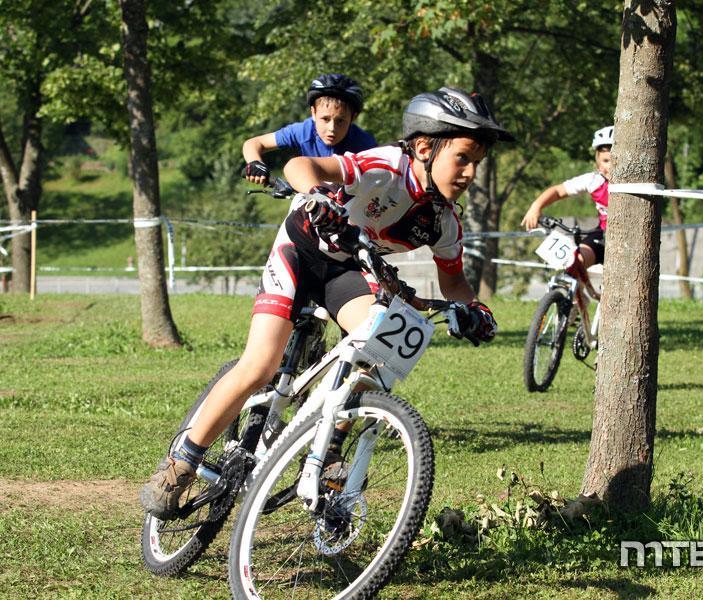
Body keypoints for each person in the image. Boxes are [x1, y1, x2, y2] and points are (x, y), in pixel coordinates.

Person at [140, 87, 514, 519]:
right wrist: (319, 196)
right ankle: (181, 463)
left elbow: (454, 282)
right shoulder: (386, 167)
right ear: (425, 149)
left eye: (477, 163)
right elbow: (300, 165)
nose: (470, 173)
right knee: (261, 365)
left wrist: (477, 311)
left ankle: (330, 450)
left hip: (346, 271)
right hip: (301, 250)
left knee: (377, 349)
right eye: (463, 158)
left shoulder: (444, 220)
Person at [241, 73, 378, 185]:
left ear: (353, 118)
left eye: (340, 121)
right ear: (313, 113)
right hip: (312, 194)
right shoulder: (303, 132)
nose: (332, 128)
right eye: (325, 119)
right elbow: (253, 143)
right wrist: (255, 163)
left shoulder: (366, 145)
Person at [520, 125, 613, 269]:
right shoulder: (593, 180)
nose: (611, 166)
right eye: (606, 161)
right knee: (575, 262)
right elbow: (558, 191)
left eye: (616, 160)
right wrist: (536, 206)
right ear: (598, 164)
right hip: (603, 234)